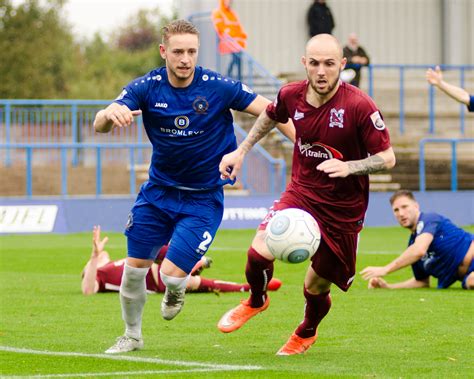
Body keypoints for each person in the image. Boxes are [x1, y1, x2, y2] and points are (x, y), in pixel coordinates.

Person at [93, 19, 294, 354]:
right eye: (178, 52)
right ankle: (132, 335)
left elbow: (273, 111)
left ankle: (176, 288)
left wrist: (302, 147)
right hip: (157, 195)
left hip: (202, 199)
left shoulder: (217, 86)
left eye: (191, 52)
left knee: (171, 275)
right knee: (133, 271)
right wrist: (109, 111)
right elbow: (101, 125)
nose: (185, 58)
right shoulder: (147, 87)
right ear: (164, 52)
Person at [216, 34, 395, 355]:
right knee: (257, 254)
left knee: (316, 285)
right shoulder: (291, 94)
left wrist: (350, 167)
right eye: (314, 63)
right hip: (301, 193)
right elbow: (272, 115)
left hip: (343, 211)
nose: (322, 71)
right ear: (305, 64)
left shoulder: (359, 105)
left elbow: (388, 157)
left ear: (342, 64)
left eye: (329, 64)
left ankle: (306, 331)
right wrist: (241, 150)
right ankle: (257, 300)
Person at [81, 226, 282, 295]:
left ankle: (190, 265)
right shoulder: (99, 277)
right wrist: (92, 256)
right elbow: (88, 290)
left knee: (153, 245)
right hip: (153, 280)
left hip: (152, 268)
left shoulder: (107, 265)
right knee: (197, 283)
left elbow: (106, 257)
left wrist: (98, 255)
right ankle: (246, 288)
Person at [360, 190, 474, 290]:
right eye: (396, 210)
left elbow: (419, 250)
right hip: (468, 276)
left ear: (416, 206)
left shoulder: (429, 219)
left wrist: (385, 269)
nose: (401, 213)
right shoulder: (412, 245)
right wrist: (389, 287)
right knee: (471, 282)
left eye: (405, 207)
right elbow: (422, 282)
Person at [212, 0, 247, 81]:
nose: (229, 3)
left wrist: (242, 36)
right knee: (236, 60)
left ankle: (231, 78)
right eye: (228, 1)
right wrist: (230, 35)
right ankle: (232, 78)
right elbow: (220, 28)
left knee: (237, 60)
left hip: (236, 42)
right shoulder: (218, 12)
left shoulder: (232, 13)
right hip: (228, 41)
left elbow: (238, 27)